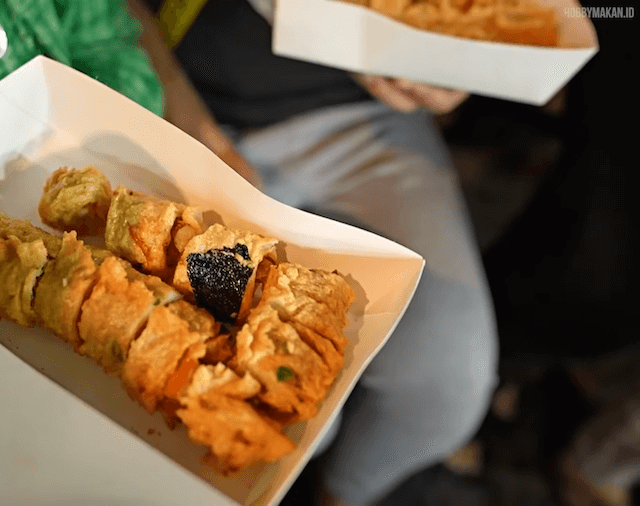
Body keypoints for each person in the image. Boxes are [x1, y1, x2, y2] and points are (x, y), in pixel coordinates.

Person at [124, 1, 499, 505]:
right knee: (283, 412)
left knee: (445, 389)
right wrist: (181, 113)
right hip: (165, 91)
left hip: (361, 116)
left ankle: (338, 494)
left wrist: (458, 57)